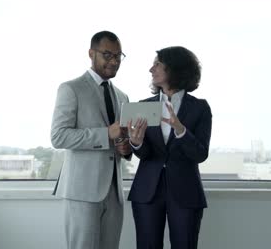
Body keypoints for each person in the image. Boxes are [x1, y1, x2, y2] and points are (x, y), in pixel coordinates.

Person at [51, 30, 131, 249]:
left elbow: (119, 141)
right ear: (91, 53)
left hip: (114, 194)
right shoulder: (71, 89)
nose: (114, 61)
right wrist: (106, 134)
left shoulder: (123, 97)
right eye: (107, 55)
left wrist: (125, 147)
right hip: (82, 191)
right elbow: (59, 136)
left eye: (118, 56)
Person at [127, 46, 212, 249]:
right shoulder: (143, 106)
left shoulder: (200, 108)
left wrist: (181, 130)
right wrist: (136, 142)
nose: (151, 69)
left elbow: (200, 154)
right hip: (147, 191)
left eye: (157, 64)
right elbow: (145, 153)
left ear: (175, 69)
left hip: (186, 191)